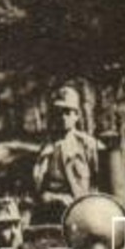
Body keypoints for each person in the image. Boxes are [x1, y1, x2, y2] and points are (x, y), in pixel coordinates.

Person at [31, 85, 102, 224]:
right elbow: (38, 184)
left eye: (68, 112)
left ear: (77, 115)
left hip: (80, 210)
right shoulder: (47, 147)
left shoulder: (88, 145)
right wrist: (47, 197)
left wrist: (82, 200)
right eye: (59, 112)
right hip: (48, 209)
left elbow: (99, 182)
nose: (63, 117)